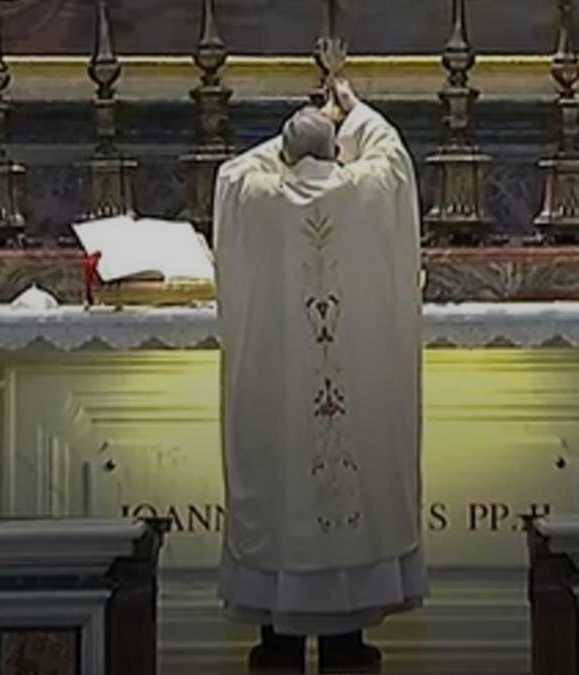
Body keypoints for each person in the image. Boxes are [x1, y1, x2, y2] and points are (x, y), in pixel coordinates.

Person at [212, 72, 425, 674]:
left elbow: (231, 171)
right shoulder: (372, 187)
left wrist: (294, 139)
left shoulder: (253, 193)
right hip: (353, 405)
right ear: (337, 152)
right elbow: (391, 151)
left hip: (279, 411)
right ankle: (345, 644)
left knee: (280, 488)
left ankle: (278, 644)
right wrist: (348, 108)